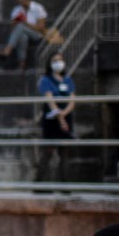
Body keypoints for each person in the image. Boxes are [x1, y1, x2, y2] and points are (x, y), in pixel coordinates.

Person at [37, 53, 75, 182]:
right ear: (49, 63)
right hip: (51, 118)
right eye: (55, 60)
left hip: (66, 115)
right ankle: (39, 185)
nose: (58, 63)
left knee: (65, 153)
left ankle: (65, 186)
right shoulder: (45, 80)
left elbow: (72, 100)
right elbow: (50, 100)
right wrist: (60, 118)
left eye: (60, 60)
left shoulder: (68, 79)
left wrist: (64, 114)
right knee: (48, 151)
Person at [0, 0, 49, 68]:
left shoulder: (38, 8)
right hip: (22, 33)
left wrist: (26, 23)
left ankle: (7, 50)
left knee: (21, 26)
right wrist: (14, 23)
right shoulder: (17, 9)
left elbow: (41, 29)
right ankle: (22, 62)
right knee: (23, 36)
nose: (21, 1)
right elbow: (13, 29)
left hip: (37, 34)